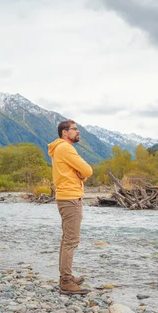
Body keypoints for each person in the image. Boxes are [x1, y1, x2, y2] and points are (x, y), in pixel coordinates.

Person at [48, 120, 93, 295]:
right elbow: (87, 170)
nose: (78, 131)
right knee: (71, 240)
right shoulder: (66, 148)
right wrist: (82, 176)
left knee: (67, 239)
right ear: (65, 133)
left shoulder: (58, 148)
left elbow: (81, 173)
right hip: (70, 198)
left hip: (66, 196)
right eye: (75, 129)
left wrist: (80, 176)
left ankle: (65, 277)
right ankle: (66, 281)